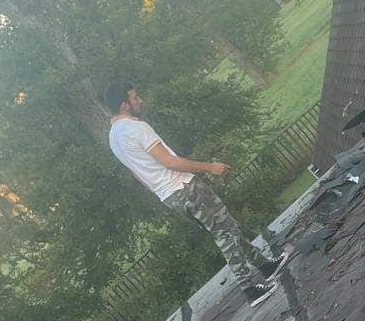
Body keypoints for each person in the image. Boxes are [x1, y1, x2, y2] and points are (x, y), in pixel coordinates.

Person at [105, 82, 279, 305]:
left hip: (169, 196)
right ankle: (250, 289)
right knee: (225, 234)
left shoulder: (114, 138)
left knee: (227, 226)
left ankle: (265, 265)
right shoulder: (136, 128)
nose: (140, 101)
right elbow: (169, 161)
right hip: (185, 187)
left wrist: (161, 193)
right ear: (124, 105)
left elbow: (137, 175)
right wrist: (211, 167)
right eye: (135, 98)